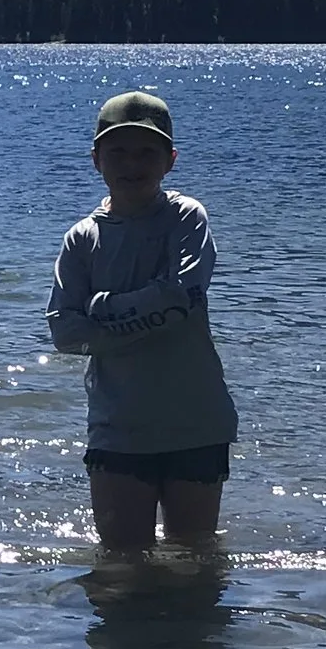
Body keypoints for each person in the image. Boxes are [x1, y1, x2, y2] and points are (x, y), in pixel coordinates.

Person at [46, 90, 237, 550]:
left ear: (169, 160)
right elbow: (64, 332)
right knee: (119, 566)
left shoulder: (186, 217)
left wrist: (105, 310)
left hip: (196, 419)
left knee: (195, 563)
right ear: (96, 159)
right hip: (118, 427)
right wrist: (149, 315)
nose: (132, 164)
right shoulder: (82, 238)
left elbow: (185, 292)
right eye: (118, 152)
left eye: (147, 152)